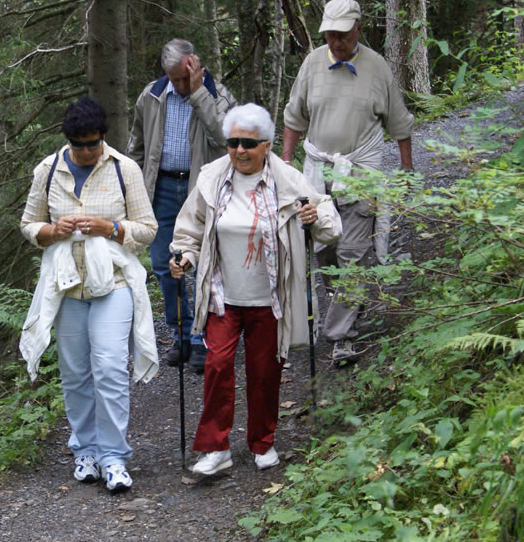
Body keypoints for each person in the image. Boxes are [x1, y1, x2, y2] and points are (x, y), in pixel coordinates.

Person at [169, 103, 341, 475]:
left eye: (248, 143)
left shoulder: (288, 179)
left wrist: (314, 217)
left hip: (270, 296)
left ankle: (263, 441)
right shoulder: (212, 179)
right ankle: (216, 448)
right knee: (216, 366)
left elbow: (328, 222)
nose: (239, 150)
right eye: (233, 143)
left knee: (265, 371)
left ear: (266, 145)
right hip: (222, 294)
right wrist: (184, 256)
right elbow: (189, 230)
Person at [20, 97, 159, 493]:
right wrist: (53, 232)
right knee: (76, 373)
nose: (85, 152)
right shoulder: (48, 170)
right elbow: (29, 225)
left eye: (93, 144)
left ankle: (114, 457)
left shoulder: (124, 169)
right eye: (78, 145)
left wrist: (111, 228)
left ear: (103, 137)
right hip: (67, 287)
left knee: (110, 368)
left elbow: (147, 228)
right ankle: (85, 451)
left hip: (114, 284)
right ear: (68, 141)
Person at [281, 0, 414, 364]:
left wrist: (406, 172)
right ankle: (350, 308)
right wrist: (286, 164)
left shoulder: (377, 67)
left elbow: (399, 123)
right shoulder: (313, 63)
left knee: (353, 254)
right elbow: (294, 117)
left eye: (342, 34)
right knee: (324, 250)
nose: (335, 42)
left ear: (358, 28)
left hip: (360, 173)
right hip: (317, 175)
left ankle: (342, 335)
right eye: (330, 35)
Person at [127, 38, 237, 373]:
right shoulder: (151, 95)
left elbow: (225, 139)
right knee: (165, 266)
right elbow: (137, 145)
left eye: (183, 77)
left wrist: (198, 92)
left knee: (204, 263)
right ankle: (181, 334)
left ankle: (202, 336)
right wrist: (132, 189)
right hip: (161, 188)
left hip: (201, 190)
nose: (178, 84)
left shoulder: (219, 96)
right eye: (173, 78)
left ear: (195, 65)